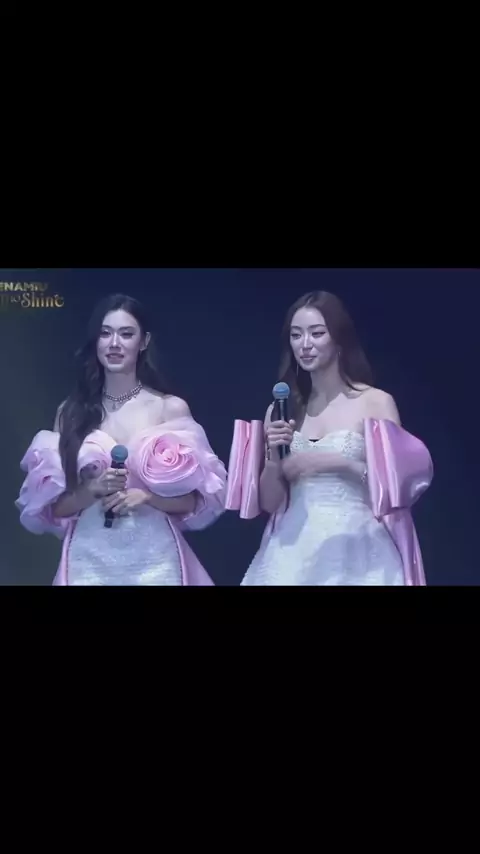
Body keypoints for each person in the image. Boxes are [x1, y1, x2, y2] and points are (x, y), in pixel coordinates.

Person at [15, 293, 227, 585]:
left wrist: (148, 497)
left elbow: (194, 500)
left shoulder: (168, 408)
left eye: (126, 334)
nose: (114, 343)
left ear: (144, 342)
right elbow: (56, 507)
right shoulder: (71, 412)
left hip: (154, 559)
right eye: (106, 334)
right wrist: (92, 489)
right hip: (90, 559)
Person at [225, 290, 433, 585]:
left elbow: (396, 490)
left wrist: (338, 463)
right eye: (296, 335)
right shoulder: (283, 408)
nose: (305, 344)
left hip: (357, 546)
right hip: (291, 548)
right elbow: (271, 503)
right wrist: (273, 459)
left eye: (317, 333)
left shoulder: (375, 402)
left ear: (339, 340)